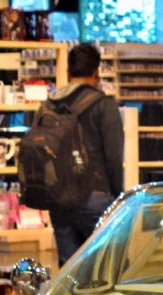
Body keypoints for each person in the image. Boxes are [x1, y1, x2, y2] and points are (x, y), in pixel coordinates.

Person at [46, 43, 126, 262]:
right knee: (104, 269)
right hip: (95, 196)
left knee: (69, 273)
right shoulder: (104, 105)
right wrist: (118, 197)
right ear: (96, 72)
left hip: (59, 198)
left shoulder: (49, 105)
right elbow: (114, 157)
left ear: (67, 72)